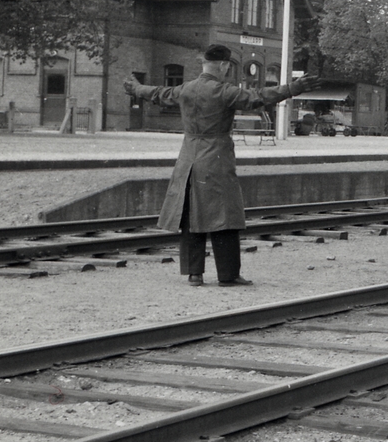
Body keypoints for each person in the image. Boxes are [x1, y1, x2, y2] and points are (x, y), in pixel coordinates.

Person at [123, 46, 318, 286]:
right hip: (216, 159)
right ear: (224, 65)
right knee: (225, 216)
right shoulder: (224, 92)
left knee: (190, 216)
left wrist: (135, 88)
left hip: (188, 160)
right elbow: (258, 97)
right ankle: (228, 274)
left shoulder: (185, 89)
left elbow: (157, 93)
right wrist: (293, 88)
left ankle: (194, 274)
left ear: (204, 64)